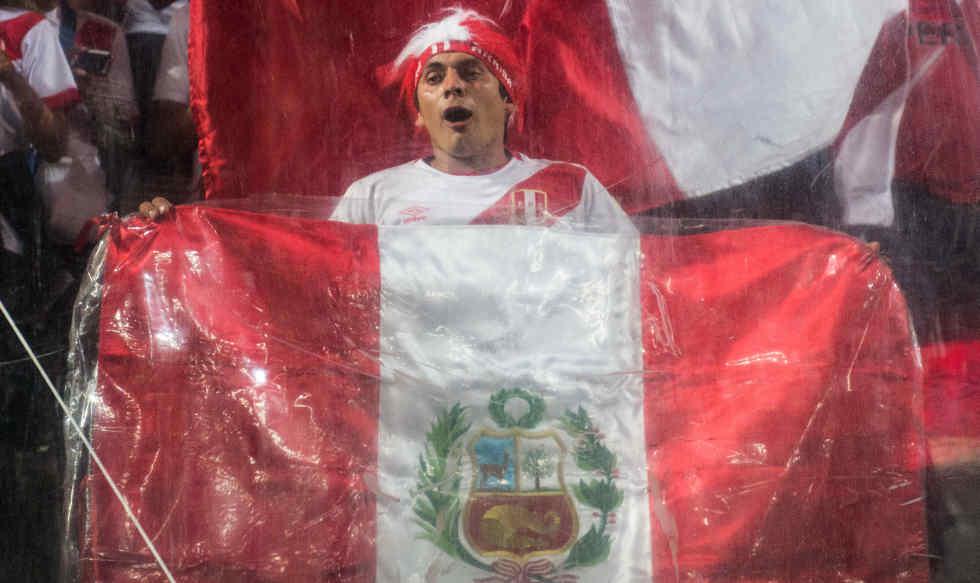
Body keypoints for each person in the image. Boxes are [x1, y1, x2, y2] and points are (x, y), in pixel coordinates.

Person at [142, 8, 632, 232]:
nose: (452, 87)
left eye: (471, 74)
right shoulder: (373, 198)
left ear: (509, 102)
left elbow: (638, 289)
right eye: (434, 79)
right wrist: (176, 236)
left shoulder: (573, 188)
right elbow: (310, 292)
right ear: (419, 117)